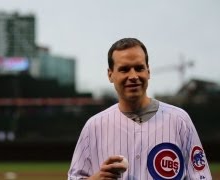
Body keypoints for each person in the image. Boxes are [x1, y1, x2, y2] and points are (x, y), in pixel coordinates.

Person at [68, 38, 212, 180]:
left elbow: (201, 176)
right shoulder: (94, 126)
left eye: (139, 68)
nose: (133, 76)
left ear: (148, 71)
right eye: (124, 69)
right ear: (110, 74)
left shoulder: (180, 120)